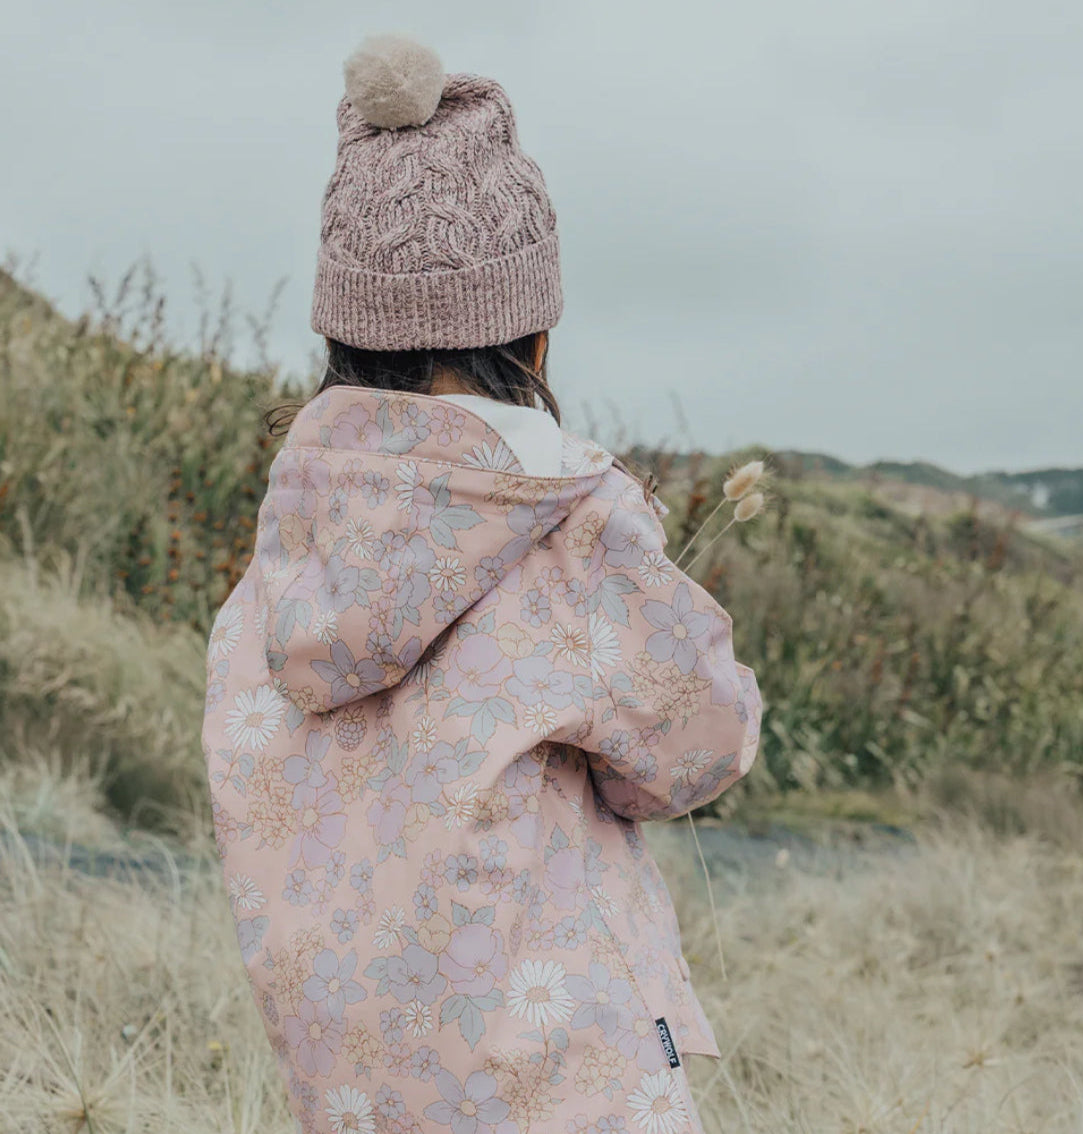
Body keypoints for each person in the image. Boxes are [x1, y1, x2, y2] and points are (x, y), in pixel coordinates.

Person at [201, 33, 762, 1134]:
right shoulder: (567, 528)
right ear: (534, 340)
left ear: (342, 337)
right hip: (564, 1083)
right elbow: (701, 748)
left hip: (356, 1089)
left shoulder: (289, 552)